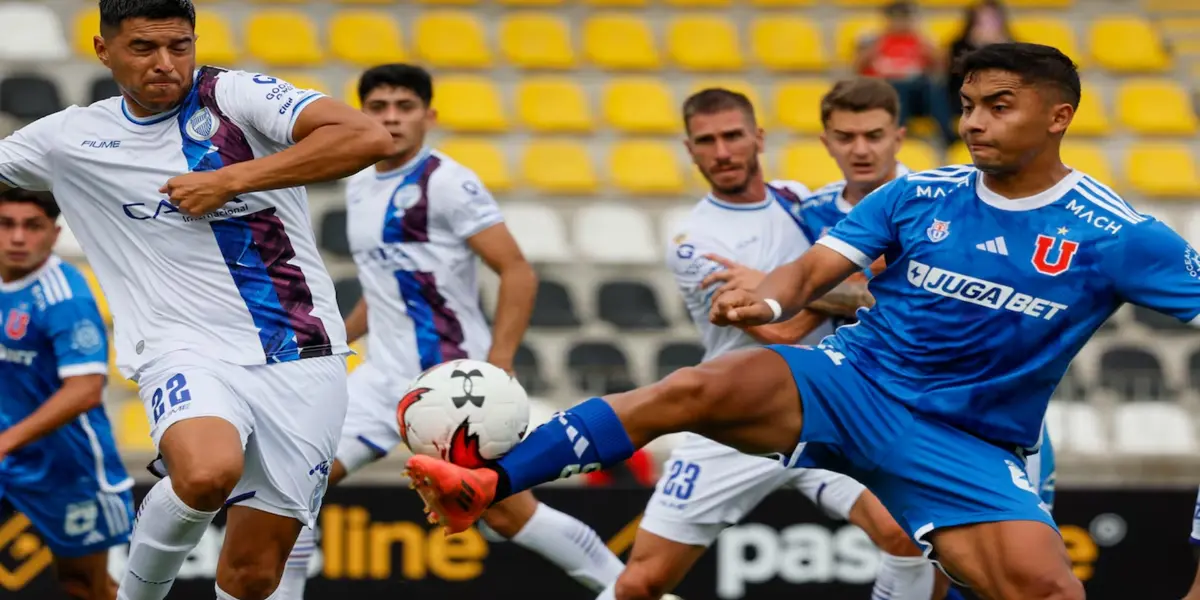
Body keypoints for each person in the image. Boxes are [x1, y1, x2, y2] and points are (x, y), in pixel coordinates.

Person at [406, 42, 1179, 599]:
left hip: (961, 441)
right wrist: (770, 301)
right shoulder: (922, 193)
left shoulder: (1117, 235)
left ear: (1058, 116)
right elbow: (816, 271)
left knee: (1042, 589)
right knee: (691, 390)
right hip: (851, 380)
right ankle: (487, 480)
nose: (974, 122)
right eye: (969, 105)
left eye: (998, 106)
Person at [0, 0, 396, 598]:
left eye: (179, 46)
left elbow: (366, 135)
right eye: (143, 48)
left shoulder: (236, 98)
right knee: (206, 473)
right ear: (103, 51)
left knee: (253, 574)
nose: (165, 63)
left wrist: (232, 178)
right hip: (181, 348)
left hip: (302, 352)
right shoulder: (69, 139)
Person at [276, 64, 626, 598]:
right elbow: (386, 282)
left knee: (507, 515)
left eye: (405, 106)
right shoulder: (360, 184)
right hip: (379, 380)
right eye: (378, 107)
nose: (391, 118)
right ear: (361, 114)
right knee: (292, 488)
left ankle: (628, 588)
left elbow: (517, 271)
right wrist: (337, 341)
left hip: (449, 387)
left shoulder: (448, 182)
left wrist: (499, 363)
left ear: (428, 116)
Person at [599, 86, 939, 600]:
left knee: (907, 536)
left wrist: (773, 282)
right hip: (732, 416)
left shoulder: (800, 201)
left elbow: (869, 280)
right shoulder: (697, 243)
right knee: (641, 582)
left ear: (757, 136)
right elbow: (781, 329)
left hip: (828, 408)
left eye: (733, 135)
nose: (723, 151)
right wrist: (835, 289)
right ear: (689, 150)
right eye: (706, 141)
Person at [0, 189, 134, 600]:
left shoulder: (65, 295)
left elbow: (86, 390)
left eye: (32, 226)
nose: (18, 237)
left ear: (54, 234)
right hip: (8, 455)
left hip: (68, 465)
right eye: (6, 225)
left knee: (85, 586)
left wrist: (5, 441)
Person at [854, 1, 956, 146]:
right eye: (896, 18)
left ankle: (948, 134)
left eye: (904, 18)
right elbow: (858, 68)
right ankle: (896, 132)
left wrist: (924, 41)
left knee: (932, 87)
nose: (900, 22)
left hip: (917, 93)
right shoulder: (875, 40)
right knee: (900, 86)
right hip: (884, 92)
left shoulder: (919, 40)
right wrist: (875, 46)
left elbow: (940, 67)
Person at [946, 0, 1014, 114]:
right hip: (966, 96)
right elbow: (956, 75)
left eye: (993, 20)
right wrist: (978, 47)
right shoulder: (959, 45)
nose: (988, 26)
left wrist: (999, 47)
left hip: (1001, 96)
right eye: (982, 20)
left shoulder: (1012, 45)